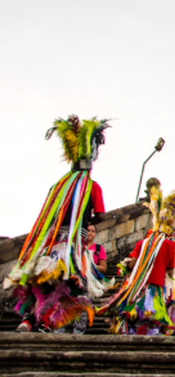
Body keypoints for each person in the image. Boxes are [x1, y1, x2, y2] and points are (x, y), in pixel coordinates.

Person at [7, 115, 113, 333]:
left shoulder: (58, 187)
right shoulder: (92, 186)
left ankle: (29, 320)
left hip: (50, 246)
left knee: (44, 285)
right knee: (72, 288)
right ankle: (49, 323)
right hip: (74, 248)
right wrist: (88, 221)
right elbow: (101, 216)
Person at [100, 185, 175, 335]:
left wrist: (127, 266)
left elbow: (131, 264)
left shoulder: (142, 242)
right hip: (156, 286)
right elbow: (170, 271)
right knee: (152, 316)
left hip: (137, 285)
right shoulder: (171, 246)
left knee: (135, 312)